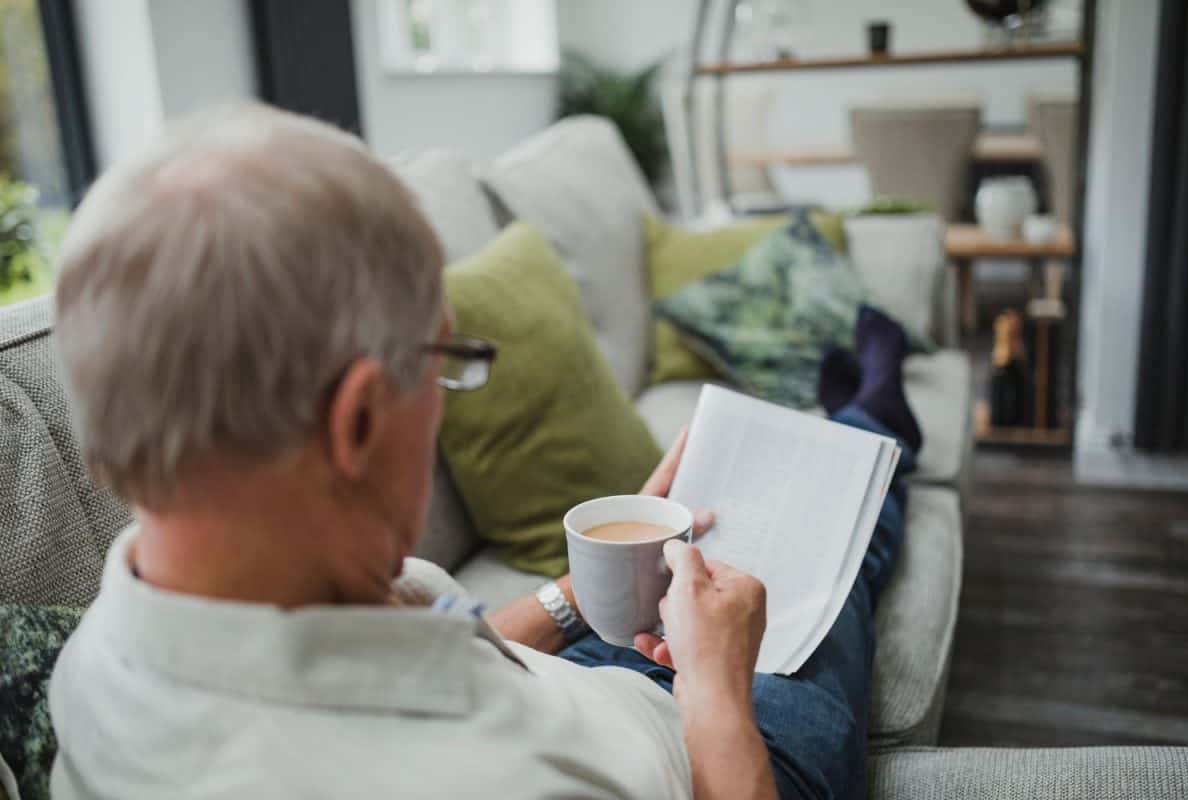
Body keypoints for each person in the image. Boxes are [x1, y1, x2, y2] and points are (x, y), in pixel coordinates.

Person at [49, 104, 918, 800]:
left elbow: (411, 676)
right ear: (356, 423)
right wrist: (719, 693)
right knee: (840, 516)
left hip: (575, 683)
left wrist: (588, 590)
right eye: (444, 360)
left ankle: (869, 415)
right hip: (718, 747)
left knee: (760, 510)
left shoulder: (110, 642)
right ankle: (879, 411)